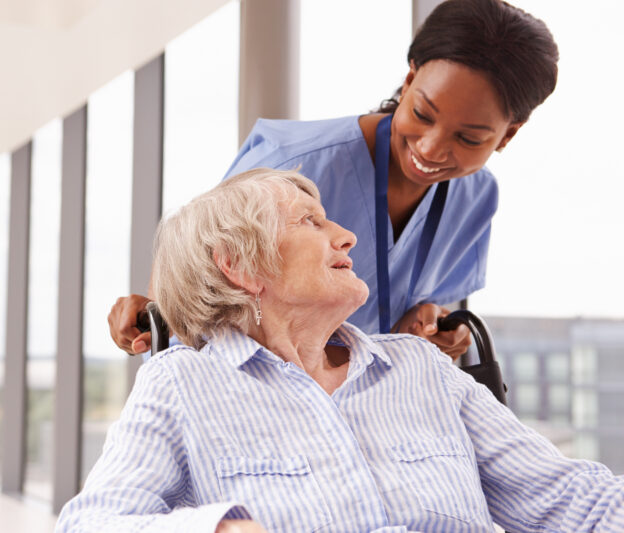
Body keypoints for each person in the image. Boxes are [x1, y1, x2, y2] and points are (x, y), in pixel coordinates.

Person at [58, 169, 624, 532]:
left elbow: (572, 501)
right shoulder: (183, 384)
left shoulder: (419, 366)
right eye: (310, 222)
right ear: (241, 265)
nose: (346, 236)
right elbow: (92, 524)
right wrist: (220, 529)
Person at [107, 0, 559, 360]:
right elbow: (192, 290)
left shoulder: (476, 198)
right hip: (259, 405)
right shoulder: (293, 162)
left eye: (468, 137)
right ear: (409, 78)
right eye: (422, 114)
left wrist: (429, 322)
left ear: (508, 134)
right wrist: (152, 315)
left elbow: (435, 302)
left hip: (371, 412)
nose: (431, 149)